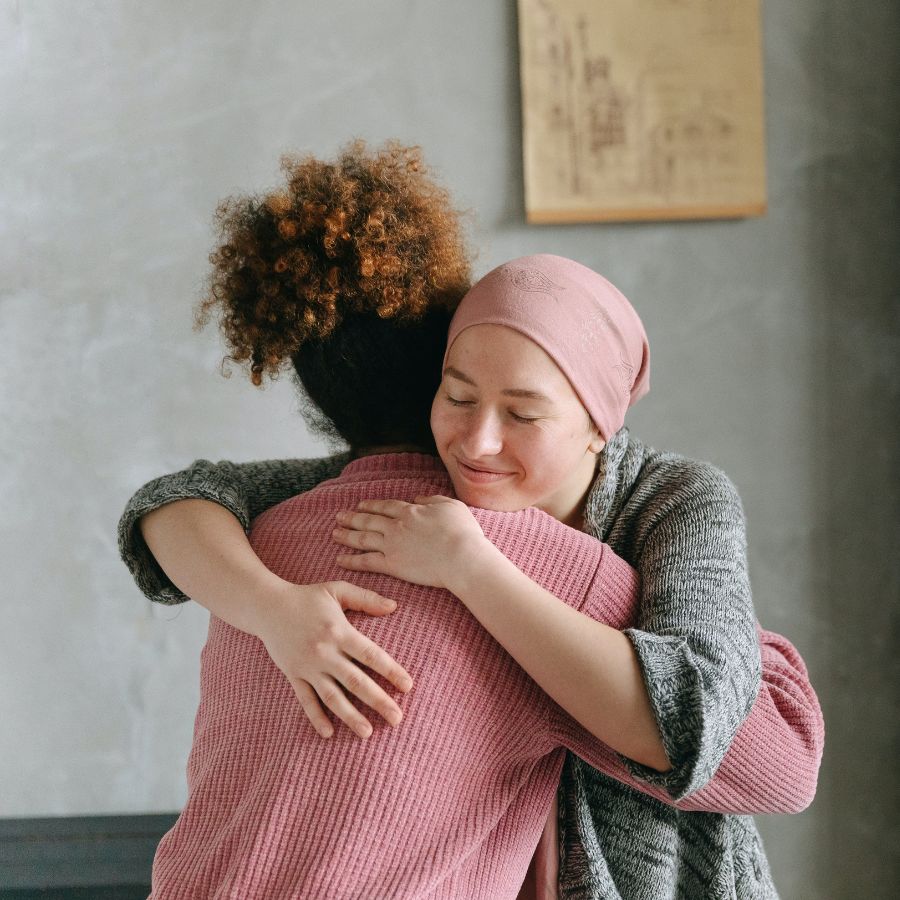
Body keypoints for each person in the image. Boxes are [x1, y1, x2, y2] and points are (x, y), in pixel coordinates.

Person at [119, 142, 823, 898]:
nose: (478, 441)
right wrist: (278, 611)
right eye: (456, 397)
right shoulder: (391, 501)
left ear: (599, 425)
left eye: (522, 413)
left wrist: (473, 567)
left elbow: (728, 735)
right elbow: (182, 496)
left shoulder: (670, 502)